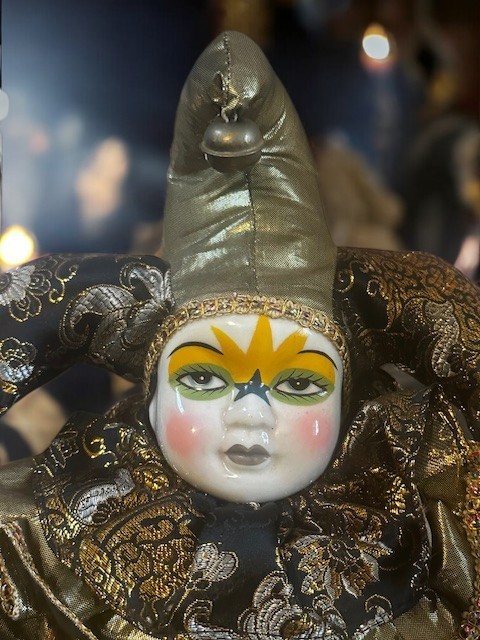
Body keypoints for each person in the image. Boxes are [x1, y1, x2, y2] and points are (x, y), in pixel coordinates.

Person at [0, 31, 479, 640]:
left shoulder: (426, 537)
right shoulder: (34, 550)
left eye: (299, 383)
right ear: (151, 396)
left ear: (348, 399)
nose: (251, 414)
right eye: (203, 377)